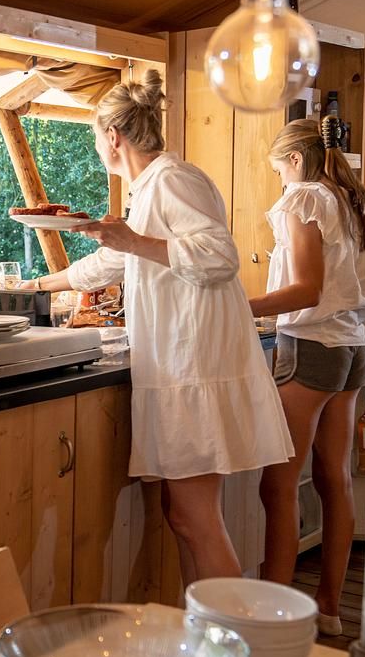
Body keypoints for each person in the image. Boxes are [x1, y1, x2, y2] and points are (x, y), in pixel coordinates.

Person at [26, 70, 292, 584]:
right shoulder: (148, 190)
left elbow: (219, 257)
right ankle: (206, 643)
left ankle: (237, 647)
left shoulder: (173, 180)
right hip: (179, 368)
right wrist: (42, 285)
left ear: (112, 137)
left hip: (193, 369)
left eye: (96, 140)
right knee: (185, 519)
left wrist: (131, 243)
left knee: (197, 520)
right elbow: (113, 263)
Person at [249, 119, 365, 636]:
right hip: (351, 349)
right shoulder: (362, 204)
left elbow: (306, 290)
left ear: (297, 161)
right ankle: (328, 610)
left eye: (279, 168)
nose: (280, 181)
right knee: (336, 480)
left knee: (277, 485)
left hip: (309, 349)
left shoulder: (304, 198)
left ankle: (274, 619)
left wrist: (241, 305)